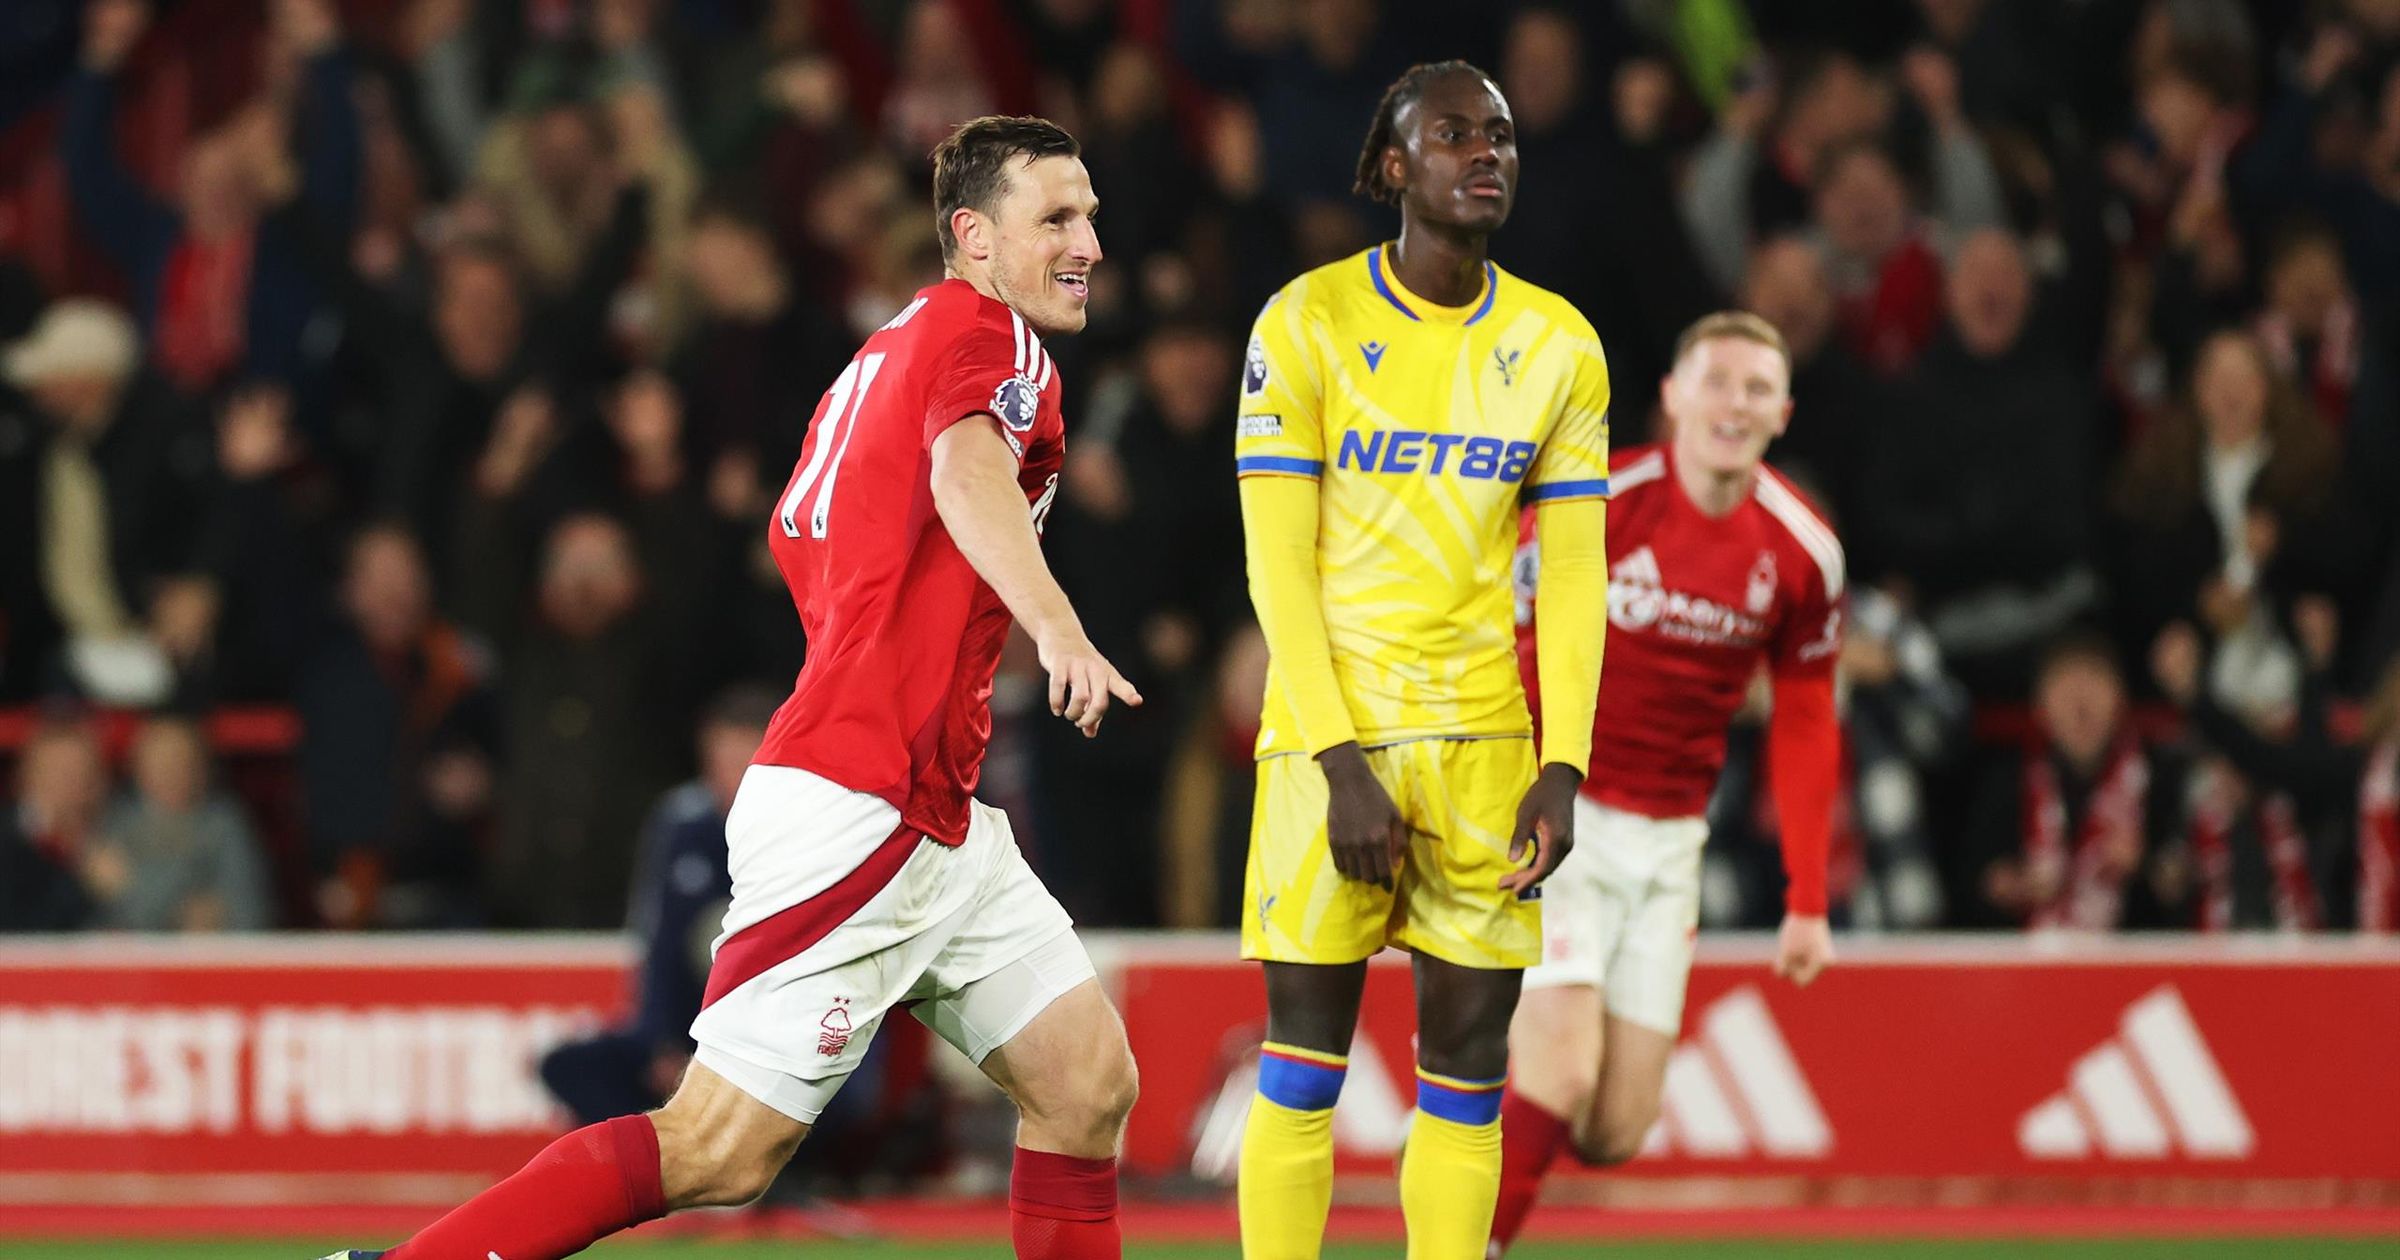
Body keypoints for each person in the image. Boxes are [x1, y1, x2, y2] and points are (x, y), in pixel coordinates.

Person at [321, 114, 1141, 1260]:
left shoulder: (878, 360)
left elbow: (804, 538)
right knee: (717, 1149)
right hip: (868, 802)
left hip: (926, 806)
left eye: (1091, 215)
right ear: (974, 237)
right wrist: (1058, 628)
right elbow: (967, 473)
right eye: (1057, 217)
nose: (1089, 242)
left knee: (1086, 1083)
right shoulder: (992, 340)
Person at [1233, 62, 1612, 1260]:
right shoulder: (1305, 323)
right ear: (1393, 168)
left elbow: (1579, 577)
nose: (1485, 151)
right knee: (1301, 1067)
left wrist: (1566, 763)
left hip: (1486, 749)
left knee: (1467, 1071)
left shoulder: (1560, 346)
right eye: (1452, 134)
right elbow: (1276, 568)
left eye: (1499, 133)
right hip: (1326, 744)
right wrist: (1340, 759)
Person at [1486, 312, 1843, 1255]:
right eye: (1716, 382)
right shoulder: (1595, 501)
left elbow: (1807, 717)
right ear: (1675, 397)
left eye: (1757, 388)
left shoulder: (1803, 551)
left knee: (1613, 1131)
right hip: (1559, 812)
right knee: (1559, 1074)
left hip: (1671, 842)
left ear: (1785, 413)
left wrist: (1808, 898)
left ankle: (1460, 1110)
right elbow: (1501, 630)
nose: (1735, 403)